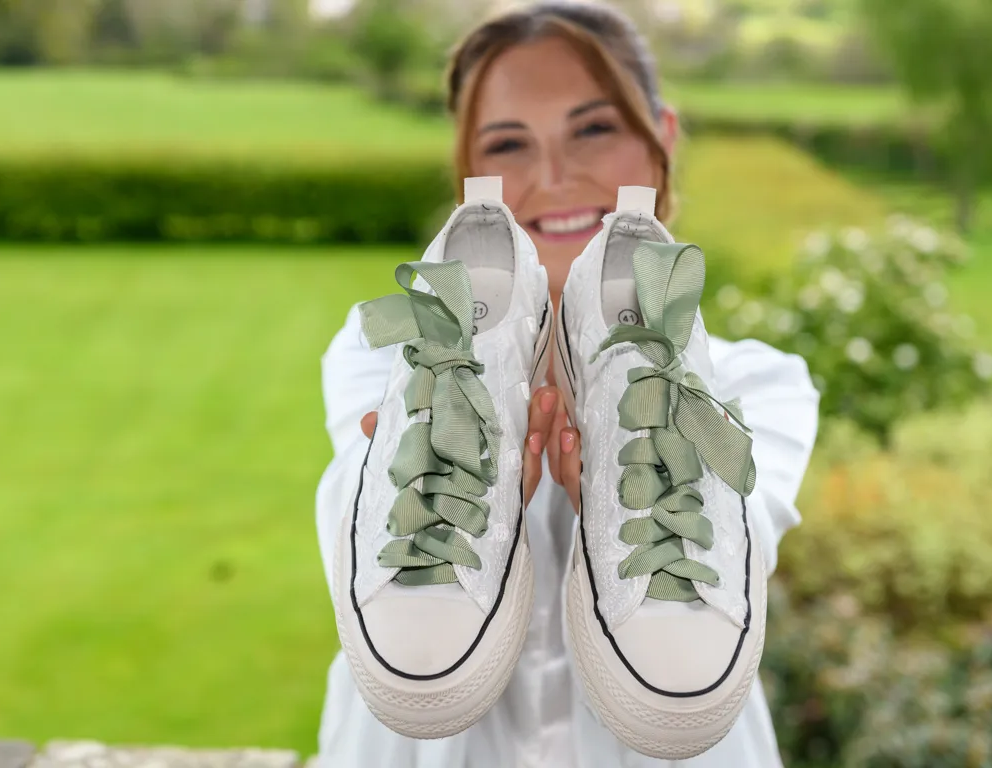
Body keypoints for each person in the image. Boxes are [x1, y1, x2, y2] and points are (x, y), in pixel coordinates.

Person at [313, 3, 819, 766]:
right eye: (508, 143)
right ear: (469, 180)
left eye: (593, 128)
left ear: (662, 143)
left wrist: (628, 459)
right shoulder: (378, 350)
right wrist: (439, 447)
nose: (553, 175)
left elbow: (741, 534)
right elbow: (353, 524)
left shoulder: (762, 382)